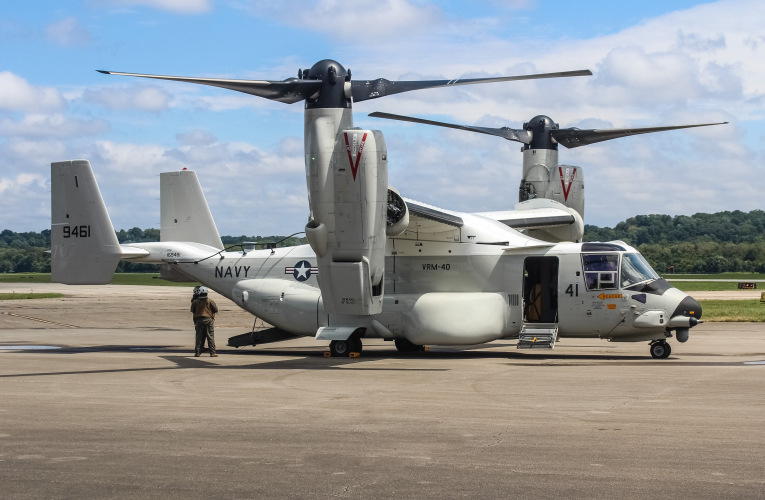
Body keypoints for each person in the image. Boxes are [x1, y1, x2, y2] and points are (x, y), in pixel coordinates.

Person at [190, 286, 218, 357]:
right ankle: (212, 352)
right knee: (210, 336)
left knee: (198, 337)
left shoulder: (195, 302)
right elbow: (216, 309)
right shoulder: (210, 301)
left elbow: (193, 310)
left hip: (199, 320)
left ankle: (197, 352)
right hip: (209, 320)